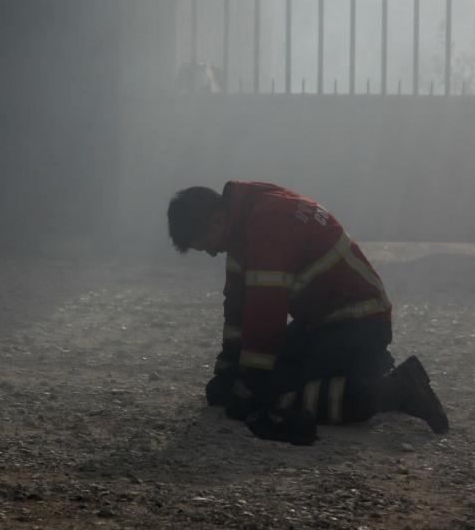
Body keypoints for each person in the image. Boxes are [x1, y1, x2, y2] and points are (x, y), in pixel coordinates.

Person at [167, 181, 448, 444]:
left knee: (271, 396)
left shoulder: (266, 225)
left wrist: (252, 381)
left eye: (206, 245)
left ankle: (397, 391)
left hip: (359, 323)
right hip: (327, 323)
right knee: (230, 393)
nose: (212, 253)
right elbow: (237, 306)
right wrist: (229, 366)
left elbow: (266, 310)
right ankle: (369, 366)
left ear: (217, 221)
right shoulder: (247, 220)